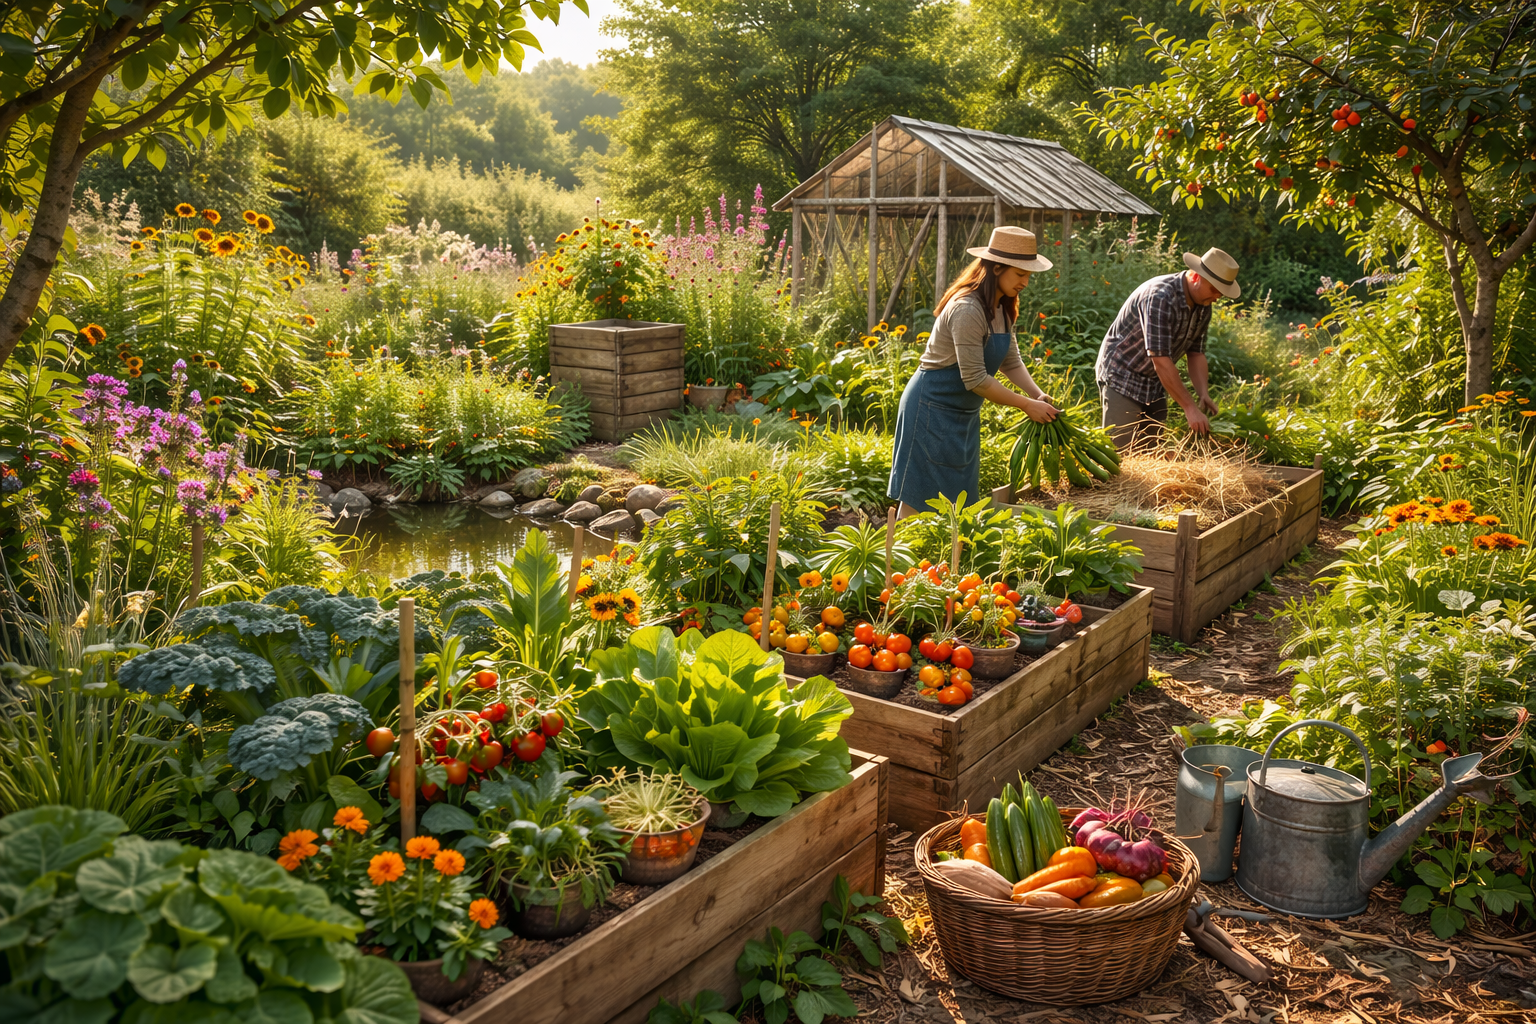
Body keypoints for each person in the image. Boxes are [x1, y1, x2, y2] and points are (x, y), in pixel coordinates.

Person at [888, 226, 1058, 518]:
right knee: (918, 500)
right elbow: (976, 379)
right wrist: (1026, 406)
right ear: (996, 269)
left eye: (1028, 275)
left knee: (958, 503)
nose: (1026, 283)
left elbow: (1011, 362)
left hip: (961, 415)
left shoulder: (1001, 309)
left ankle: (944, 562)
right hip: (930, 409)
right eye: (1020, 274)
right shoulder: (967, 309)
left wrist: (1037, 394)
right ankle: (898, 560)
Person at [1095, 247, 1241, 450]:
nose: (1217, 297)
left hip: (1154, 381)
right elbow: (1160, 359)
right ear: (1196, 276)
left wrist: (1203, 393)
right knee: (1118, 452)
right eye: (1214, 289)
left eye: (1221, 293)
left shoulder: (1203, 306)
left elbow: (1196, 353)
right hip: (1122, 373)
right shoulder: (1160, 296)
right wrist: (1189, 407)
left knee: (1149, 451)